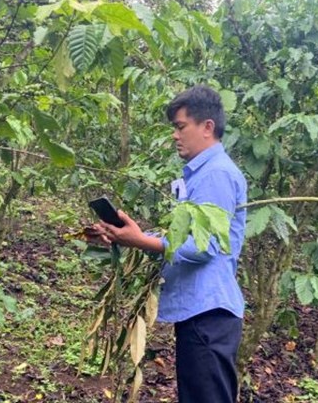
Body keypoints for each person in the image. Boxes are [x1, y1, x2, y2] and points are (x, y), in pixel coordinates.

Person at [90, 85, 248, 403]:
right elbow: (182, 240)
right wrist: (131, 237)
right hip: (202, 313)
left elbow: (204, 247)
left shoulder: (216, 174)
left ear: (207, 127)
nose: (175, 135)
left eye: (180, 126)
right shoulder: (202, 174)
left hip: (209, 313)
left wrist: (141, 241)